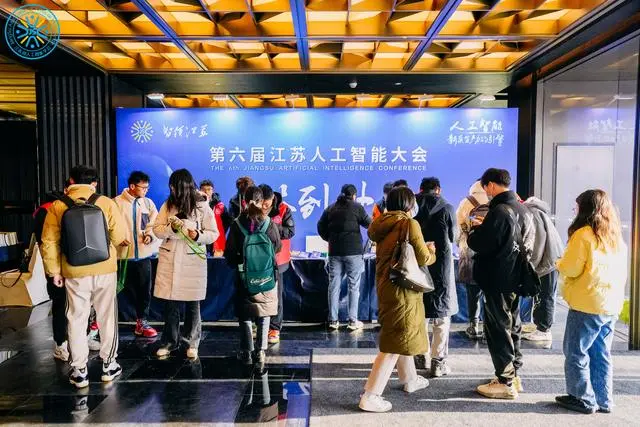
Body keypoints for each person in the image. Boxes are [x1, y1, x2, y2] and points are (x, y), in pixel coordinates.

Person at [41, 165, 127, 388]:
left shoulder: (58, 206)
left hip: (74, 271)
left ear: (70, 181)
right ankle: (109, 365)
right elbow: (120, 236)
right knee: (107, 317)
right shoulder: (106, 202)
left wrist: (54, 272)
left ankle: (79, 371)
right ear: (94, 183)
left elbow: (49, 242)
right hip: (105, 269)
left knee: (76, 319)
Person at [359, 186, 436, 412]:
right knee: (394, 342)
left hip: (387, 285)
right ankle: (370, 395)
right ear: (408, 204)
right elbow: (423, 257)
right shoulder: (409, 223)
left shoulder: (381, 224)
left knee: (400, 334)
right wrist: (432, 251)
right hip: (403, 288)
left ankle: (410, 379)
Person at [554, 189, 627, 414]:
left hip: (587, 303)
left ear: (585, 208)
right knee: (601, 353)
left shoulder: (583, 235)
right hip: (610, 304)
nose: (574, 210)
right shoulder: (614, 235)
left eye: (576, 206)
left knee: (576, 352)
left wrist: (558, 263)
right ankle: (603, 399)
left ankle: (583, 398)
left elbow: (571, 268)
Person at [467, 168, 534, 399]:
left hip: (497, 277)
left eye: (485, 187)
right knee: (513, 325)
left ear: (491, 185)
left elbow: (481, 244)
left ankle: (505, 382)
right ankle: (514, 375)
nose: (485, 192)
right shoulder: (523, 209)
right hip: (516, 276)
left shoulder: (499, 211)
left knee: (498, 329)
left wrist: (475, 230)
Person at [153, 169, 219, 360]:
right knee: (171, 304)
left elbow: (213, 233)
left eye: (174, 186)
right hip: (171, 258)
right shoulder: (168, 204)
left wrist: (197, 235)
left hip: (192, 261)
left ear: (183, 186)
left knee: (193, 304)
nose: (172, 190)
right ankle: (169, 341)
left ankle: (191, 342)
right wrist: (171, 228)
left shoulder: (202, 205)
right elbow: (157, 229)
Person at [224, 186, 282, 365]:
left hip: (244, 276)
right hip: (267, 275)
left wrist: (240, 263)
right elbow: (277, 247)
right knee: (264, 312)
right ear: (262, 201)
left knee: (245, 313)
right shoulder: (269, 223)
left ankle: (246, 351)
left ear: (243, 201)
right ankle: (261, 351)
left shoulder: (237, 224)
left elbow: (229, 254)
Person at [413, 177, 457, 377]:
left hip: (418, 263)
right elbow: (453, 236)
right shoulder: (447, 207)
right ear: (438, 189)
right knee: (441, 315)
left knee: (420, 312)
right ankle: (438, 362)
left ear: (420, 189)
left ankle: (420, 355)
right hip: (441, 265)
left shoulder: (412, 206)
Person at [317, 184, 372, 331]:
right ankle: (353, 321)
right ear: (354, 196)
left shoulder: (331, 208)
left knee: (333, 286)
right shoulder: (357, 207)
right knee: (353, 286)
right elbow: (370, 224)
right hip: (354, 252)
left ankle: (333, 320)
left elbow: (320, 226)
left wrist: (329, 238)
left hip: (335, 252)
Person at [114, 171, 159, 338]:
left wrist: (150, 236)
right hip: (122, 257)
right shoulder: (116, 203)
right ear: (132, 186)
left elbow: (154, 224)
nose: (146, 190)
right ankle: (101, 325)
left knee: (144, 291)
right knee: (114, 291)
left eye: (147, 188)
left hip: (143, 256)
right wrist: (118, 238)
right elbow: (110, 225)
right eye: (143, 187)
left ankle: (142, 322)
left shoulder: (148, 203)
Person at [521, 196, 564, 342]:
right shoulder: (539, 212)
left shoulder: (532, 213)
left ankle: (544, 330)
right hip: (551, 259)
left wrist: (531, 265)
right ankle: (541, 327)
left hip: (547, 262)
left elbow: (538, 241)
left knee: (545, 296)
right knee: (545, 295)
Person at [259, 184, 295, 345]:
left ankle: (274, 327)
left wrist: (271, 227)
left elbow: (290, 231)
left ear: (272, 198)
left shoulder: (284, 209)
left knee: (276, 295)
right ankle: (260, 324)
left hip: (278, 259)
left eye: (266, 202)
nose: (263, 206)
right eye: (261, 202)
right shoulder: (254, 208)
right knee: (258, 293)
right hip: (258, 258)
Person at [33, 190, 68, 361]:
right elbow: (46, 241)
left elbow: (44, 243)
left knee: (62, 305)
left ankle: (64, 344)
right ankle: (63, 343)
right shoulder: (52, 210)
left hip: (57, 266)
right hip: (65, 265)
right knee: (67, 305)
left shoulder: (42, 211)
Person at [456, 181, 489, 339]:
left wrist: (461, 243)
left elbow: (458, 230)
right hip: (490, 252)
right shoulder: (493, 201)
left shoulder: (466, 202)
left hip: (471, 250)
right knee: (490, 293)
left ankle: (474, 325)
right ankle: (489, 327)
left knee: (472, 291)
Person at [200, 179, 232, 256]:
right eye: (203, 189)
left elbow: (227, 221)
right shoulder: (196, 205)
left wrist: (219, 231)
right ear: (200, 191)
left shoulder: (220, 206)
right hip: (201, 239)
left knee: (217, 262)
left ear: (213, 190)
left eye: (209, 189)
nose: (206, 192)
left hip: (216, 242)